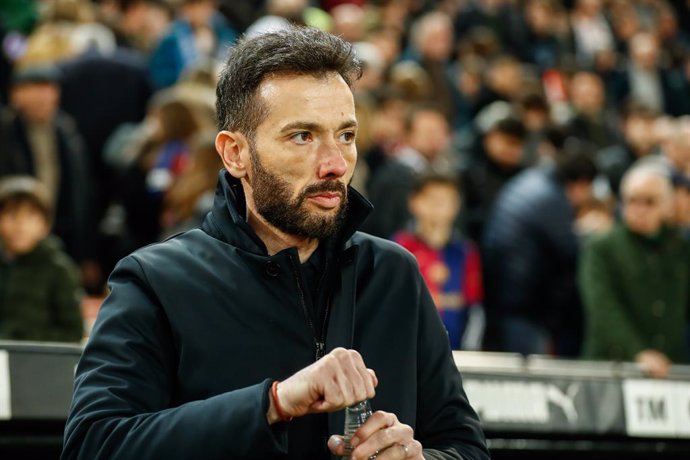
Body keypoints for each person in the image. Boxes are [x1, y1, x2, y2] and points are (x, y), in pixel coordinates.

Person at [62, 27, 489, 460]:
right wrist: (275, 403)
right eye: (302, 136)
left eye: (346, 135)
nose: (335, 164)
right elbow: (93, 445)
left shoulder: (394, 273)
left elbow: (466, 448)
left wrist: (419, 459)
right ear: (235, 154)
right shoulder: (156, 281)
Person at [482, 150, 597, 356]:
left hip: (501, 294)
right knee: (527, 380)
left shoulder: (533, 179)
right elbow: (572, 253)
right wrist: (588, 236)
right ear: (582, 184)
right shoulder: (552, 199)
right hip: (522, 306)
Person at [579, 163, 690, 378]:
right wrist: (638, 351)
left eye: (649, 202)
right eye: (632, 201)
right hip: (612, 369)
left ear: (667, 206)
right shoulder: (602, 247)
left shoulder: (681, 249)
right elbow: (603, 307)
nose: (639, 209)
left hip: (667, 369)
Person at [393, 173, 484, 351]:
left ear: (456, 206)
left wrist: (470, 349)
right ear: (413, 202)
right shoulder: (398, 248)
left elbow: (474, 310)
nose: (438, 207)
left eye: (446, 201)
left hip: (455, 351)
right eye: (431, 199)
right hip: (408, 351)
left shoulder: (466, 252)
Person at [0, 176, 83, 342]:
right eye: (11, 214)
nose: (20, 225)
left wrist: (22, 339)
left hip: (38, 361)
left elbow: (73, 332)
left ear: (45, 225)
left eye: (30, 216)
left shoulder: (59, 269)